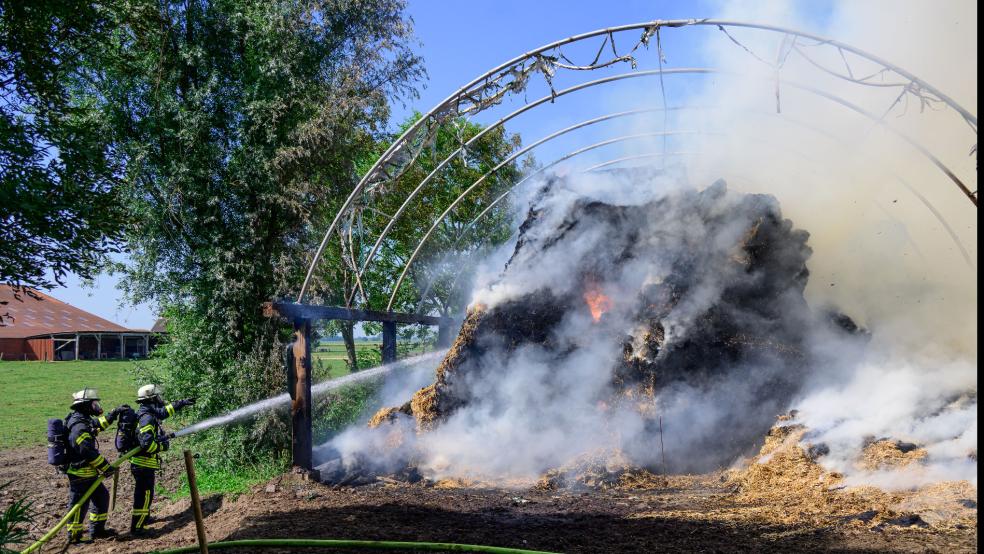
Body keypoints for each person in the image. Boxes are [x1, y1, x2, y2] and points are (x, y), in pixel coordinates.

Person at [129, 384, 194, 535]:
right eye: (157, 396)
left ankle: (144, 519)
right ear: (152, 399)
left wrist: (181, 403)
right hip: (143, 464)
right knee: (144, 495)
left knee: (146, 494)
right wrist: (162, 447)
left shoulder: (148, 412)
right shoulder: (147, 417)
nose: (160, 399)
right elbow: (146, 445)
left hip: (144, 464)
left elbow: (163, 412)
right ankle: (138, 528)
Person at [64, 388, 125, 544]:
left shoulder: (83, 419)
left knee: (101, 498)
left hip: (88, 473)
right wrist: (105, 466)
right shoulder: (78, 426)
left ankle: (97, 531)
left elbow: (97, 424)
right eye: (94, 403)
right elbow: (86, 451)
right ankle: (74, 537)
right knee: (79, 505)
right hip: (80, 474)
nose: (96, 406)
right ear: (85, 405)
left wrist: (114, 413)